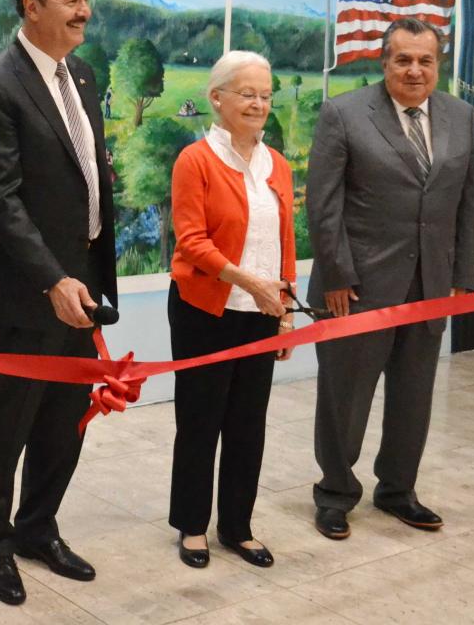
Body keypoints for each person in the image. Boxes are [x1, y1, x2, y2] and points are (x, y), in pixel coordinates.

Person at [0, 0, 115, 606]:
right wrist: (52, 278)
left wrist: (87, 276)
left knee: (64, 421)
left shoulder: (79, 73)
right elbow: (0, 199)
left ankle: (37, 528)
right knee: (6, 425)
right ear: (31, 7)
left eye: (85, 0)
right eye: (70, 1)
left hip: (82, 288)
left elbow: (86, 176)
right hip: (28, 294)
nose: (83, 12)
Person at [306, 17, 474, 541]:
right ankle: (335, 494)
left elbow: (469, 202)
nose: (415, 70)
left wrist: (461, 280)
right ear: (383, 62)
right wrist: (336, 274)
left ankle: (398, 490)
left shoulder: (461, 115)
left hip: (429, 286)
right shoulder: (344, 113)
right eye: (403, 59)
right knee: (346, 397)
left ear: (438, 64)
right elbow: (323, 202)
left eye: (425, 60)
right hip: (355, 290)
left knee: (414, 396)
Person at [167, 50, 295, 570]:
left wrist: (284, 310)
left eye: (265, 95)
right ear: (217, 98)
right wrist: (249, 283)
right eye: (247, 94)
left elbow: (285, 243)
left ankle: (237, 526)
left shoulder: (277, 164)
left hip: (262, 312)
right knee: (201, 419)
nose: (258, 103)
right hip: (206, 308)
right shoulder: (194, 160)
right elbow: (191, 241)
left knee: (249, 423)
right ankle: (192, 526)